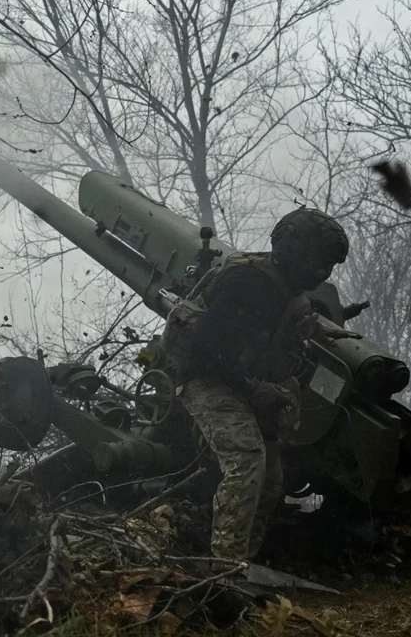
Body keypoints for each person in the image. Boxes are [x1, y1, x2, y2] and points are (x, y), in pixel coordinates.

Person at [167, 207, 352, 561]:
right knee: (247, 461)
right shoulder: (248, 282)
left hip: (247, 384)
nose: (322, 272)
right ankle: (225, 572)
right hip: (207, 379)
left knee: (271, 482)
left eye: (329, 265)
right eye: (318, 261)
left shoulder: (291, 294)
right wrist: (254, 389)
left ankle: (242, 565)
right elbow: (203, 347)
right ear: (294, 250)